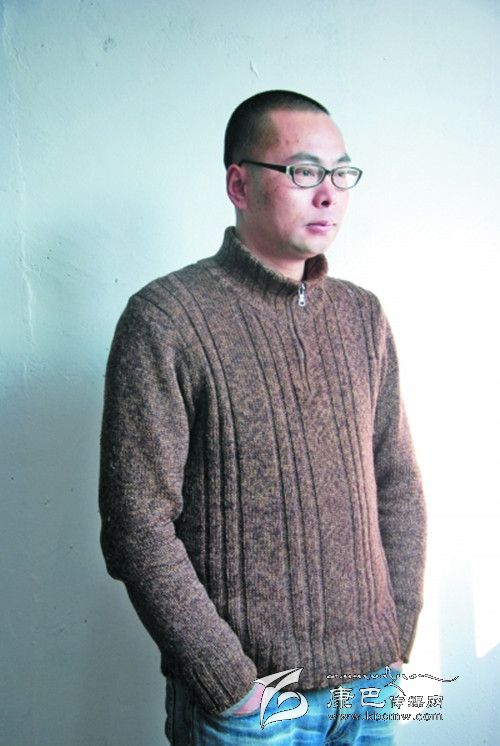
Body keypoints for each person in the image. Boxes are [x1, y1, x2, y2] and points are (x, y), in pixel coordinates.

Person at [98, 90, 426, 745]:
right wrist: (228, 682)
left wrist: (397, 636)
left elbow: (397, 483)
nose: (328, 194)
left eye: (341, 173)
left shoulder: (363, 316)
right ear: (239, 185)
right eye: (303, 171)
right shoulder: (165, 320)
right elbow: (136, 523)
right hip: (250, 710)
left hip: (371, 690)